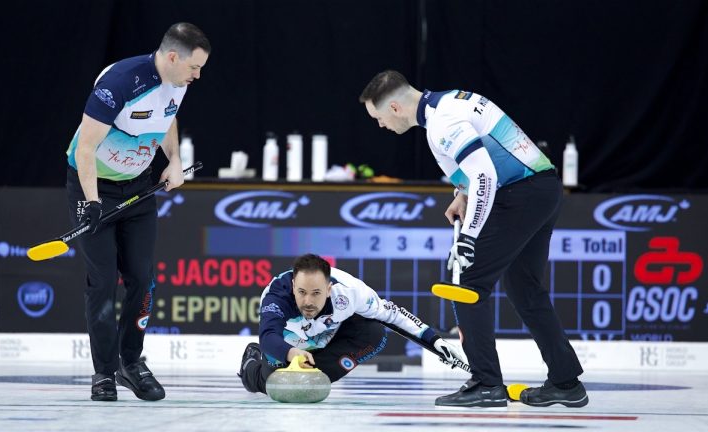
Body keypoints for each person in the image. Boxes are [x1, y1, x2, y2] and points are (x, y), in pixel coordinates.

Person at [358, 70, 588, 408]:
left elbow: (485, 175)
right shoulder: (448, 102)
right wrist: (462, 194)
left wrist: (469, 235)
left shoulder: (442, 122)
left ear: (394, 107)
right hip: (541, 189)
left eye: (378, 118)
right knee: (525, 290)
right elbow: (483, 163)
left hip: (520, 194)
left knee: (466, 281)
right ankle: (566, 382)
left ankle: (486, 384)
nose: (380, 125)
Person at [65, 23, 211, 401]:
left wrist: (174, 160)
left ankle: (130, 363)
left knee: (143, 280)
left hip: (139, 187)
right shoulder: (119, 82)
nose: (198, 76)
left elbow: (166, 118)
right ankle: (103, 372)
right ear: (173, 57)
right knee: (102, 282)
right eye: (194, 67)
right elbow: (85, 149)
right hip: (93, 186)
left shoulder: (178, 82)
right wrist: (92, 201)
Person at [238, 254, 469, 394]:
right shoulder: (276, 296)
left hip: (329, 339)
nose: (308, 301)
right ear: (292, 287)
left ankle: (317, 368)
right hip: (288, 345)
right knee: (277, 387)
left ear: (329, 289)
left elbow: (393, 315)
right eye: (301, 292)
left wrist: (434, 341)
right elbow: (268, 336)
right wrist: (292, 353)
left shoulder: (350, 292)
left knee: (374, 333)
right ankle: (251, 365)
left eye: (316, 293)